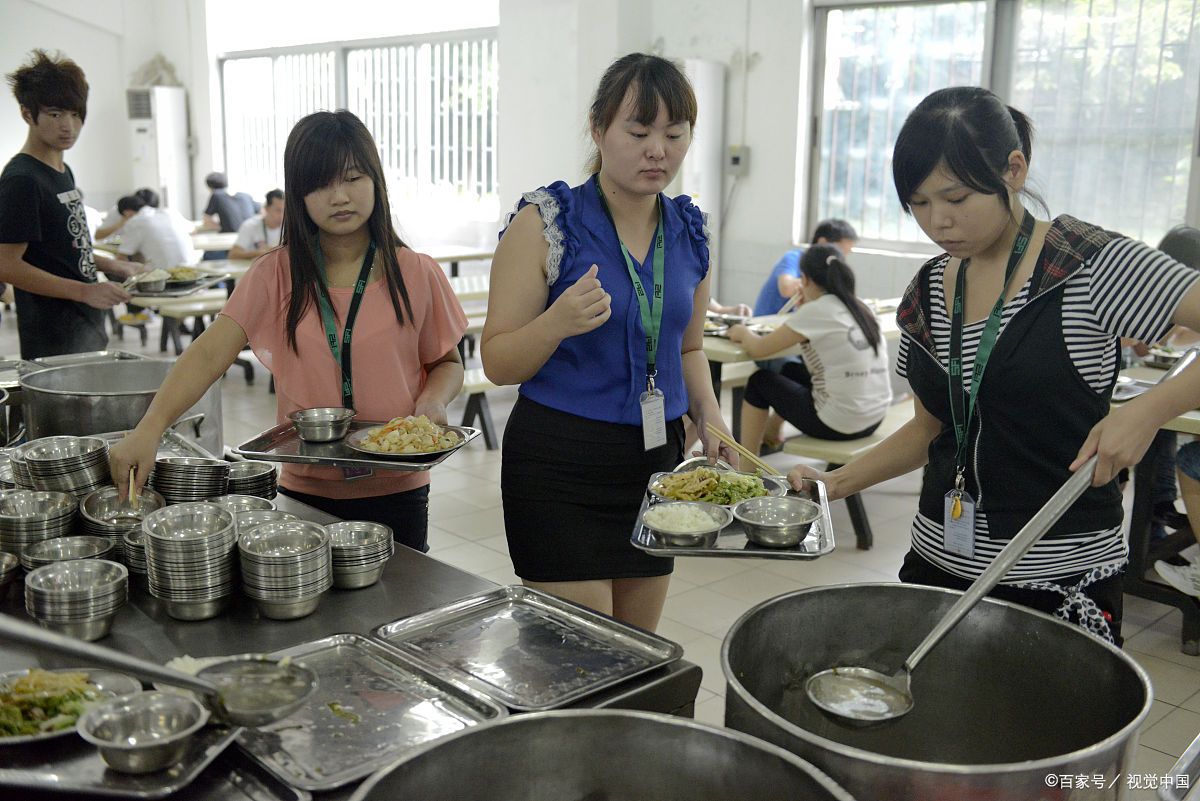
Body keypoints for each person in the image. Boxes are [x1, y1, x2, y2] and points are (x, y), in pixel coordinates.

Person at [790, 86, 1200, 645]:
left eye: (956, 198)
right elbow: (928, 431)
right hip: (938, 563)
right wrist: (834, 484)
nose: (938, 222)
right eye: (919, 204)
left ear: (1013, 169)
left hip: (1057, 579)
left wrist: (1150, 411)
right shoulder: (929, 288)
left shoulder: (1086, 265)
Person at [110, 110, 467, 552]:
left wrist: (433, 400)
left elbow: (447, 363)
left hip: (398, 487)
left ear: (375, 180)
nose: (339, 196)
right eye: (320, 184)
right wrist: (150, 428)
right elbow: (208, 354)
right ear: (298, 195)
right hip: (306, 490)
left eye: (353, 178)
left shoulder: (415, 272)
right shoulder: (275, 275)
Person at [481, 53, 736, 632]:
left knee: (638, 654)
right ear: (598, 130)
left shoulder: (689, 230)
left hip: (655, 465)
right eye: (639, 131)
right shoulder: (548, 223)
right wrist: (556, 323)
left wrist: (711, 417)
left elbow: (689, 348)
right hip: (559, 465)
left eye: (675, 134)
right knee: (583, 658)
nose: (658, 150)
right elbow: (496, 361)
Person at [0, 50, 141, 360]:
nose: (69, 126)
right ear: (27, 114)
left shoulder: (63, 173)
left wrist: (113, 265)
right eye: (55, 114)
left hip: (85, 325)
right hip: (51, 336)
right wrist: (85, 291)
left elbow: (65, 245)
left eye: (76, 114)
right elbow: (6, 264)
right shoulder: (22, 179)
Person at [728, 245, 892, 455]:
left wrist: (742, 331)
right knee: (788, 371)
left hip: (840, 424)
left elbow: (759, 349)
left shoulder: (817, 310)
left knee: (759, 382)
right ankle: (772, 429)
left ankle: (746, 467)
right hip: (874, 417)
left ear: (804, 280)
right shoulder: (861, 307)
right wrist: (804, 311)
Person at [751, 219, 858, 317]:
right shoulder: (794, 258)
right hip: (767, 322)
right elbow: (786, 288)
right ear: (823, 242)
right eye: (838, 251)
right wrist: (821, 282)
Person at [229, 189, 284, 260]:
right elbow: (233, 255)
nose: (282, 215)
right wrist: (259, 253)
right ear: (266, 208)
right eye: (278, 210)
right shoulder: (250, 226)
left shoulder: (289, 227)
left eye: (285, 211)